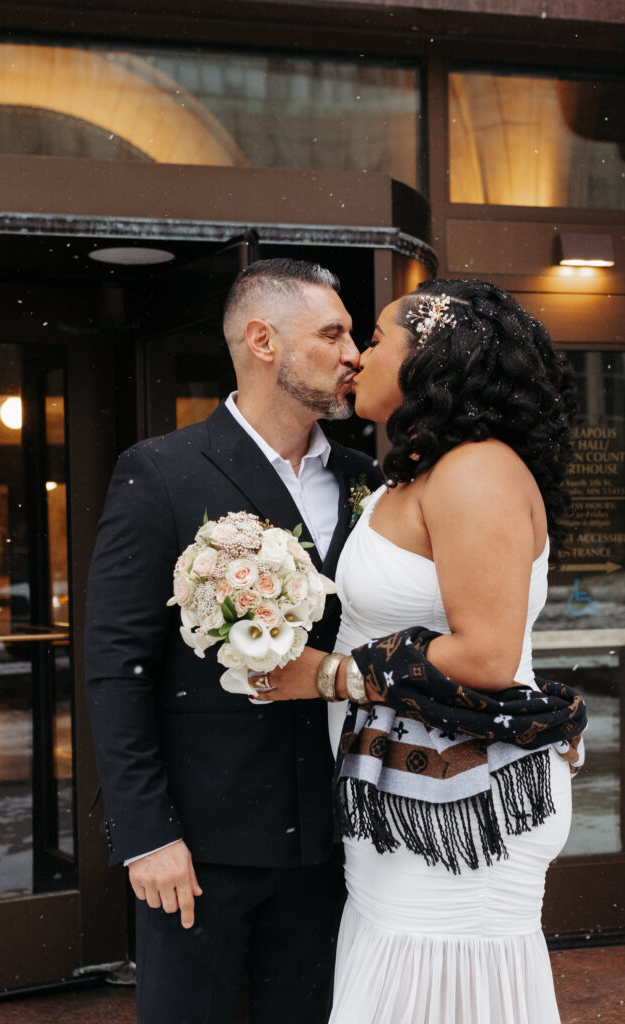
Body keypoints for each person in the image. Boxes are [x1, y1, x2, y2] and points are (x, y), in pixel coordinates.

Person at [260, 278, 586, 1024]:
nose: (357, 357)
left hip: (463, 802)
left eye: (375, 339)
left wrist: (331, 676)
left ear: (428, 359)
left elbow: (488, 657)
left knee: (435, 988)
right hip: (403, 794)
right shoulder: (412, 473)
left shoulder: (476, 471)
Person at [84, 257, 383, 1024]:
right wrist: (146, 835)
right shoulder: (161, 472)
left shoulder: (365, 479)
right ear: (262, 341)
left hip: (339, 841)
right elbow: (117, 668)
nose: (354, 353)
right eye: (333, 332)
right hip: (202, 844)